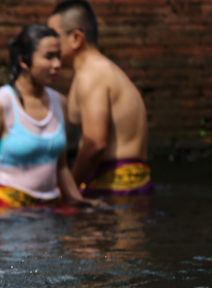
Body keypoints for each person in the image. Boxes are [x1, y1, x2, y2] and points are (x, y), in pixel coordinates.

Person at [0, 24, 85, 212]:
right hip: (6, 209)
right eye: (49, 57)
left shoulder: (60, 102)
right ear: (23, 61)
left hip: (48, 210)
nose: (57, 64)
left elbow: (61, 167)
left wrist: (81, 203)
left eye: (58, 56)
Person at [48, 0, 152, 196]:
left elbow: (95, 143)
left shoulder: (91, 75)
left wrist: (68, 190)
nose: (50, 44)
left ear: (76, 38)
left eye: (54, 37)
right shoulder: (105, 69)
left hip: (115, 188)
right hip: (130, 182)